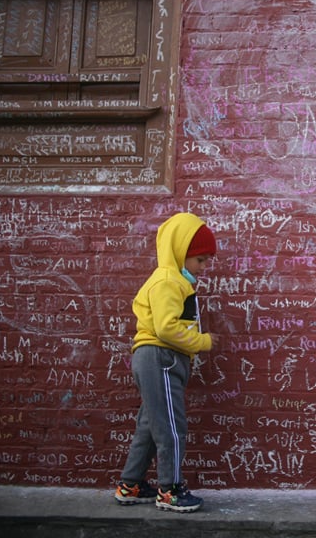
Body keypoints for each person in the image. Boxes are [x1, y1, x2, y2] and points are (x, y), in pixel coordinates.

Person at [113, 212, 219, 512]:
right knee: (172, 427)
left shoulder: (175, 282)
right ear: (179, 252)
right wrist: (203, 342)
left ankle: (130, 484)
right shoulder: (168, 281)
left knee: (149, 425)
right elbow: (166, 328)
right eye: (200, 260)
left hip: (157, 359)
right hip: (160, 358)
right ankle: (170, 490)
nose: (204, 266)